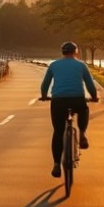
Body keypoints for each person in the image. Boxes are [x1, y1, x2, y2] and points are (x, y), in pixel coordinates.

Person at [40, 41, 99, 178]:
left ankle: (56, 165)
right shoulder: (81, 65)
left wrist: (44, 96)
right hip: (77, 99)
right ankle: (82, 134)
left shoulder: (54, 65)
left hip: (58, 101)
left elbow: (45, 84)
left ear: (62, 52)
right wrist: (94, 97)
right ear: (75, 52)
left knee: (58, 132)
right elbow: (90, 84)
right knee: (84, 109)